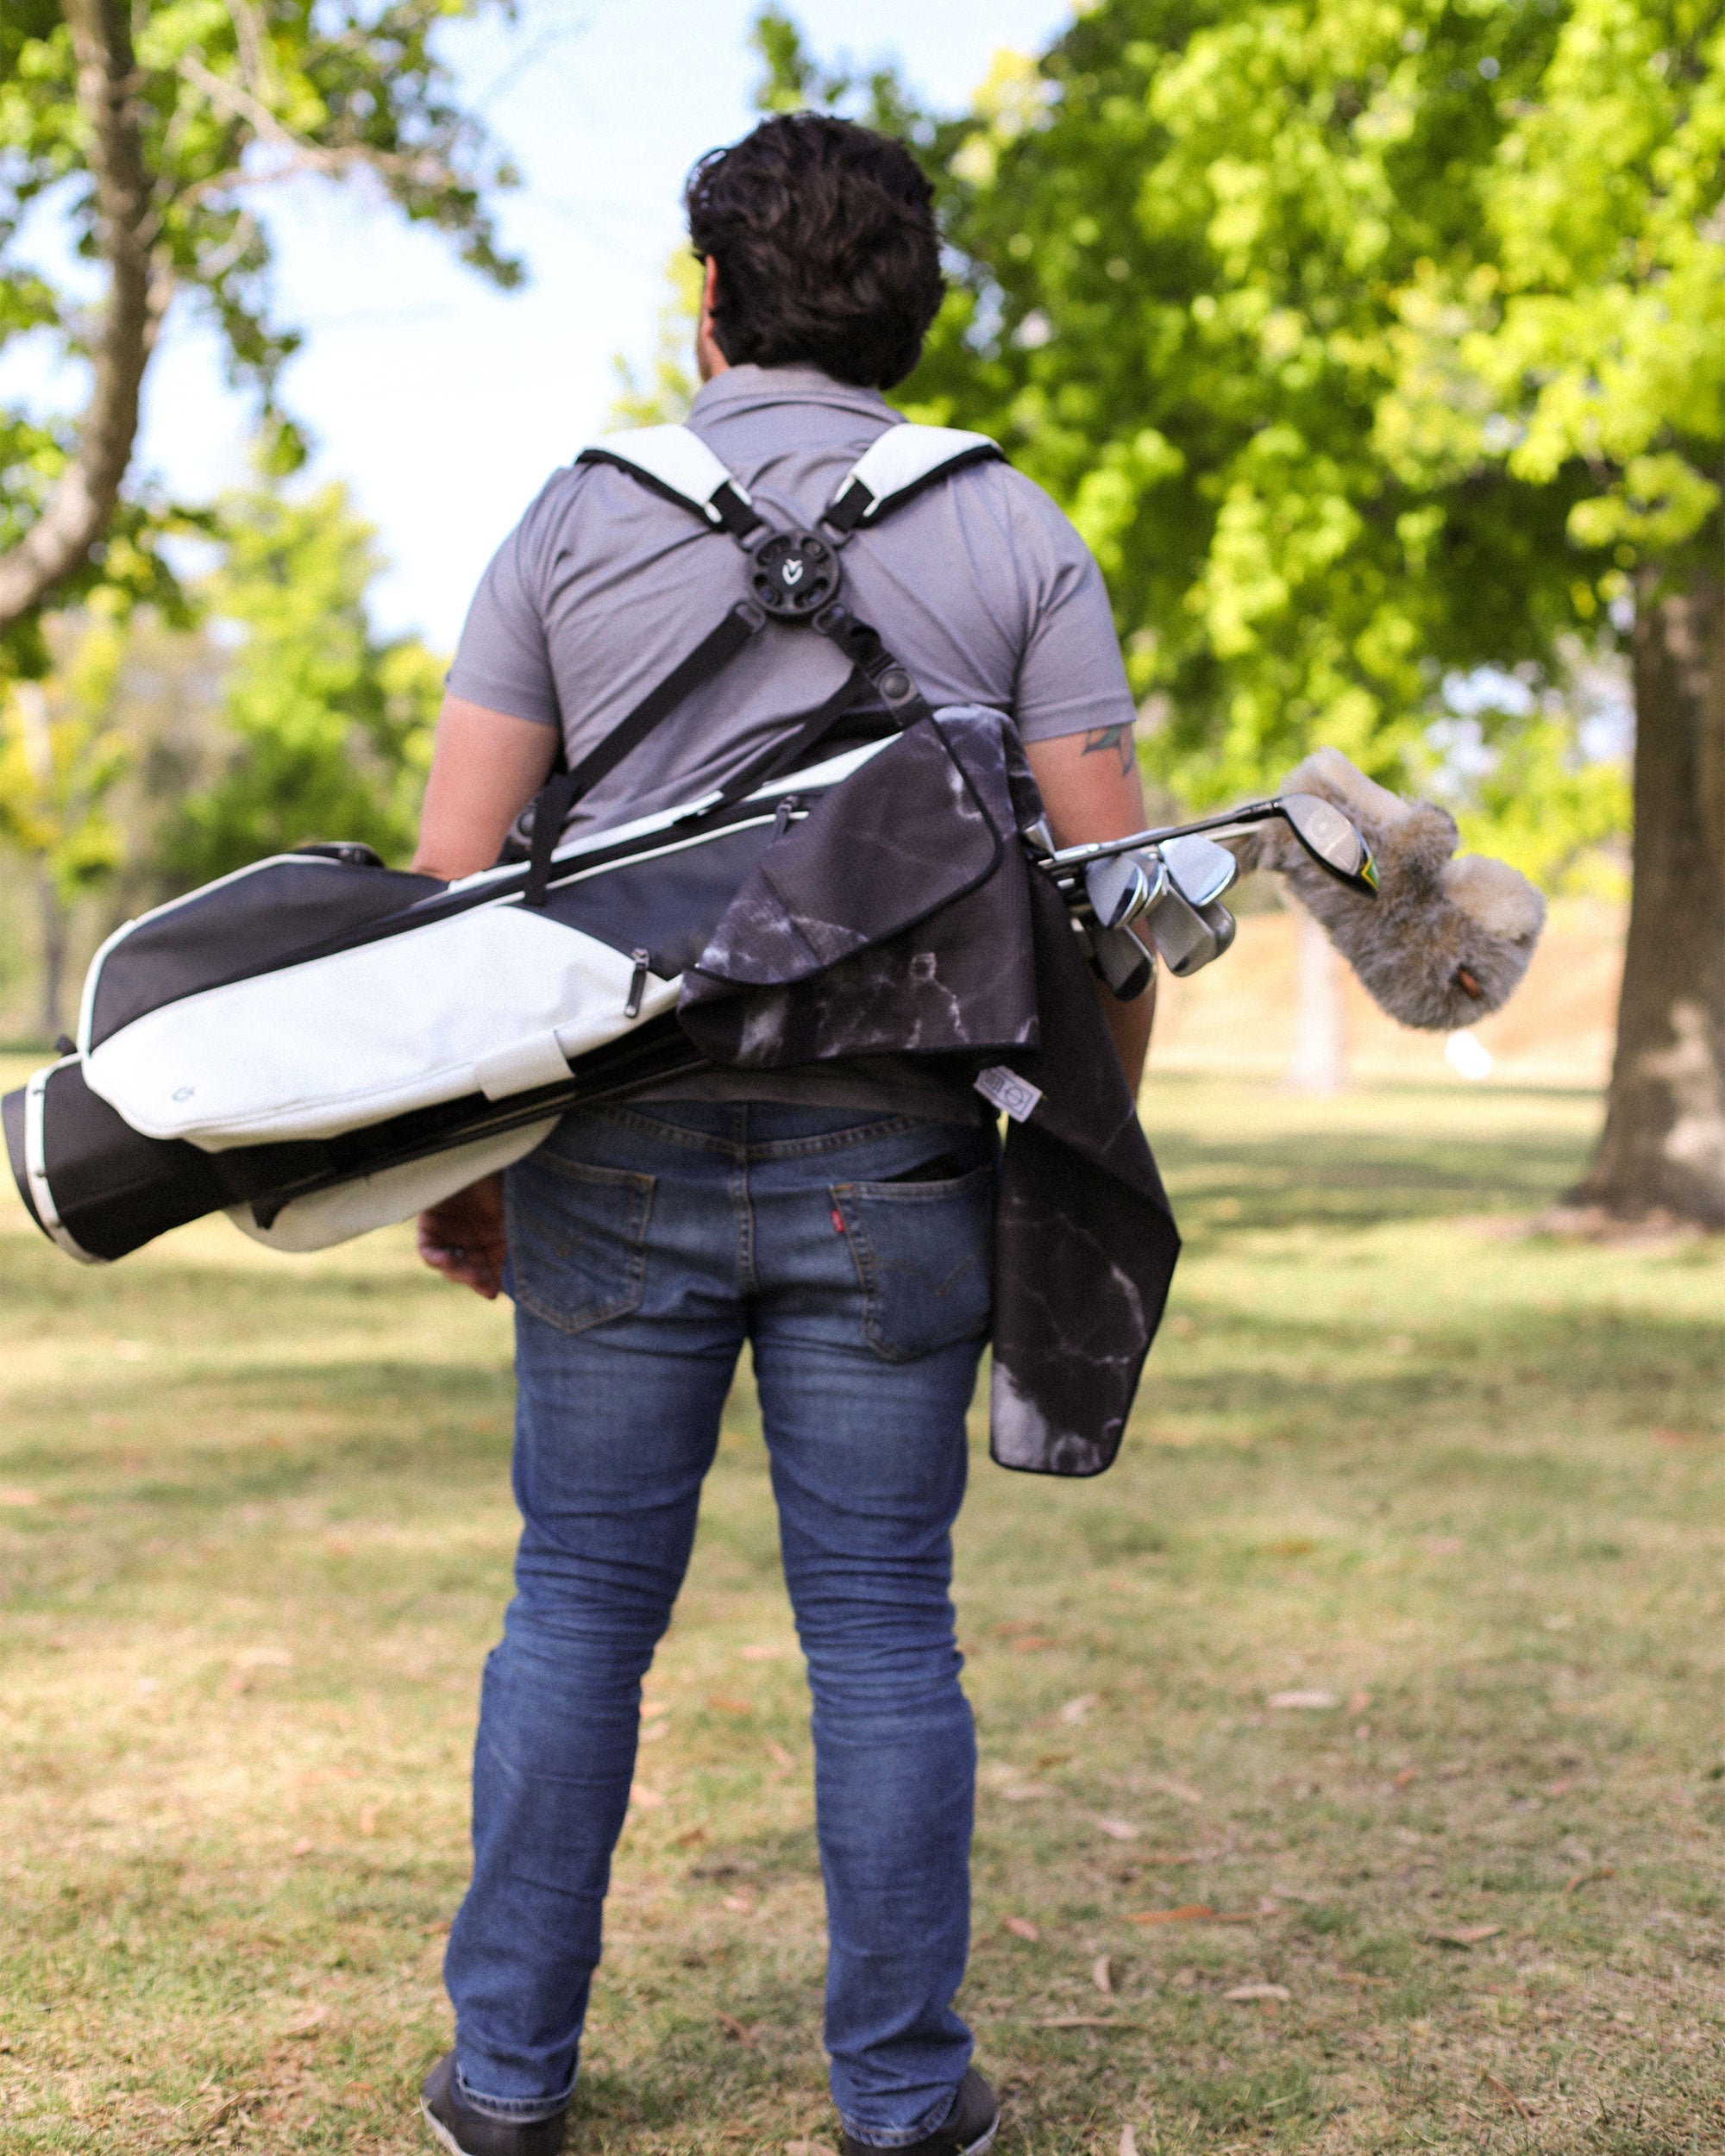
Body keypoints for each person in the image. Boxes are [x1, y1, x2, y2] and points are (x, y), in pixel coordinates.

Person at [411, 112, 1152, 2156]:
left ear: (712, 297)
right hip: (897, 1165)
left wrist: (470, 1169)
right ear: (914, 308)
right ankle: (904, 2097)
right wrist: (1064, 1159)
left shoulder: (572, 520)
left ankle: (506, 2079)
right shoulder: (1016, 533)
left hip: (611, 1157)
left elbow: (454, 891)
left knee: (572, 1608)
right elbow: (1120, 912)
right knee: (886, 1638)